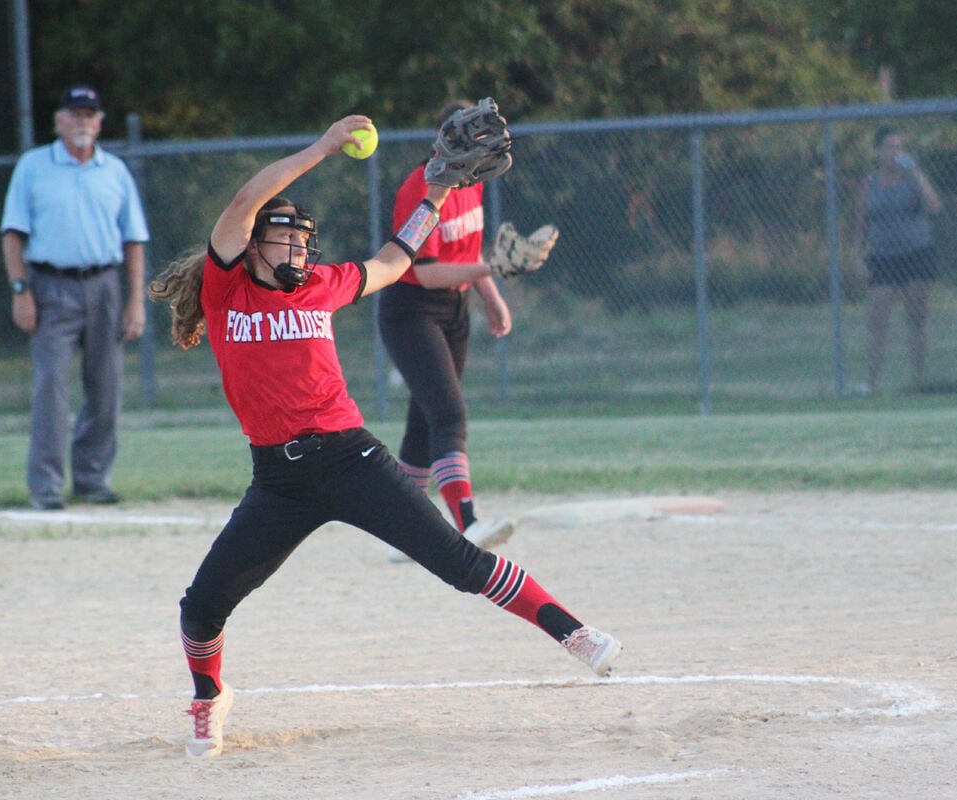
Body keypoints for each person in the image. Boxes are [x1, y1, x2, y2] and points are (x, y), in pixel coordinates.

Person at [148, 113, 621, 759]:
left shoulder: (321, 284)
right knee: (201, 608)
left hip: (352, 459)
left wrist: (434, 195)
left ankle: (574, 632)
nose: (298, 251)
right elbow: (243, 199)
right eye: (284, 239)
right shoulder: (230, 293)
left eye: (302, 241)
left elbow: (395, 260)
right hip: (279, 482)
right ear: (250, 244)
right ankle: (209, 699)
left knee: (461, 564)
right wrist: (321, 145)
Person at [0, 84, 149, 510]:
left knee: (106, 387)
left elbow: (134, 240)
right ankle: (46, 486)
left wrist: (134, 300)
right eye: (74, 114)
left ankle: (92, 478)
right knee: (51, 386)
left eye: (90, 115)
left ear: (99, 123)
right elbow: (12, 233)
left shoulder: (114, 171)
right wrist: (20, 290)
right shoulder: (33, 166)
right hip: (49, 286)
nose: (82, 122)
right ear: (58, 120)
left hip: (103, 284)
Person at [378, 101, 516, 562]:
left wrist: (491, 295)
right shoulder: (421, 187)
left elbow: (467, 252)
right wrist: (494, 266)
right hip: (412, 308)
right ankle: (469, 524)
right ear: (446, 140)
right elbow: (428, 271)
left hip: (453, 308)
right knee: (449, 414)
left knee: (425, 424)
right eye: (472, 138)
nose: (484, 147)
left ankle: (403, 531)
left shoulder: (470, 187)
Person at [854, 127, 943, 394]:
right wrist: (858, 256)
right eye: (890, 147)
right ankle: (871, 383)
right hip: (883, 257)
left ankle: (919, 380)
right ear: (878, 151)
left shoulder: (913, 178)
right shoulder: (868, 184)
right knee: (877, 319)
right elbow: (861, 223)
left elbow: (933, 207)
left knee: (916, 317)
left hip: (916, 253)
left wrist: (916, 173)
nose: (895, 153)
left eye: (899, 147)